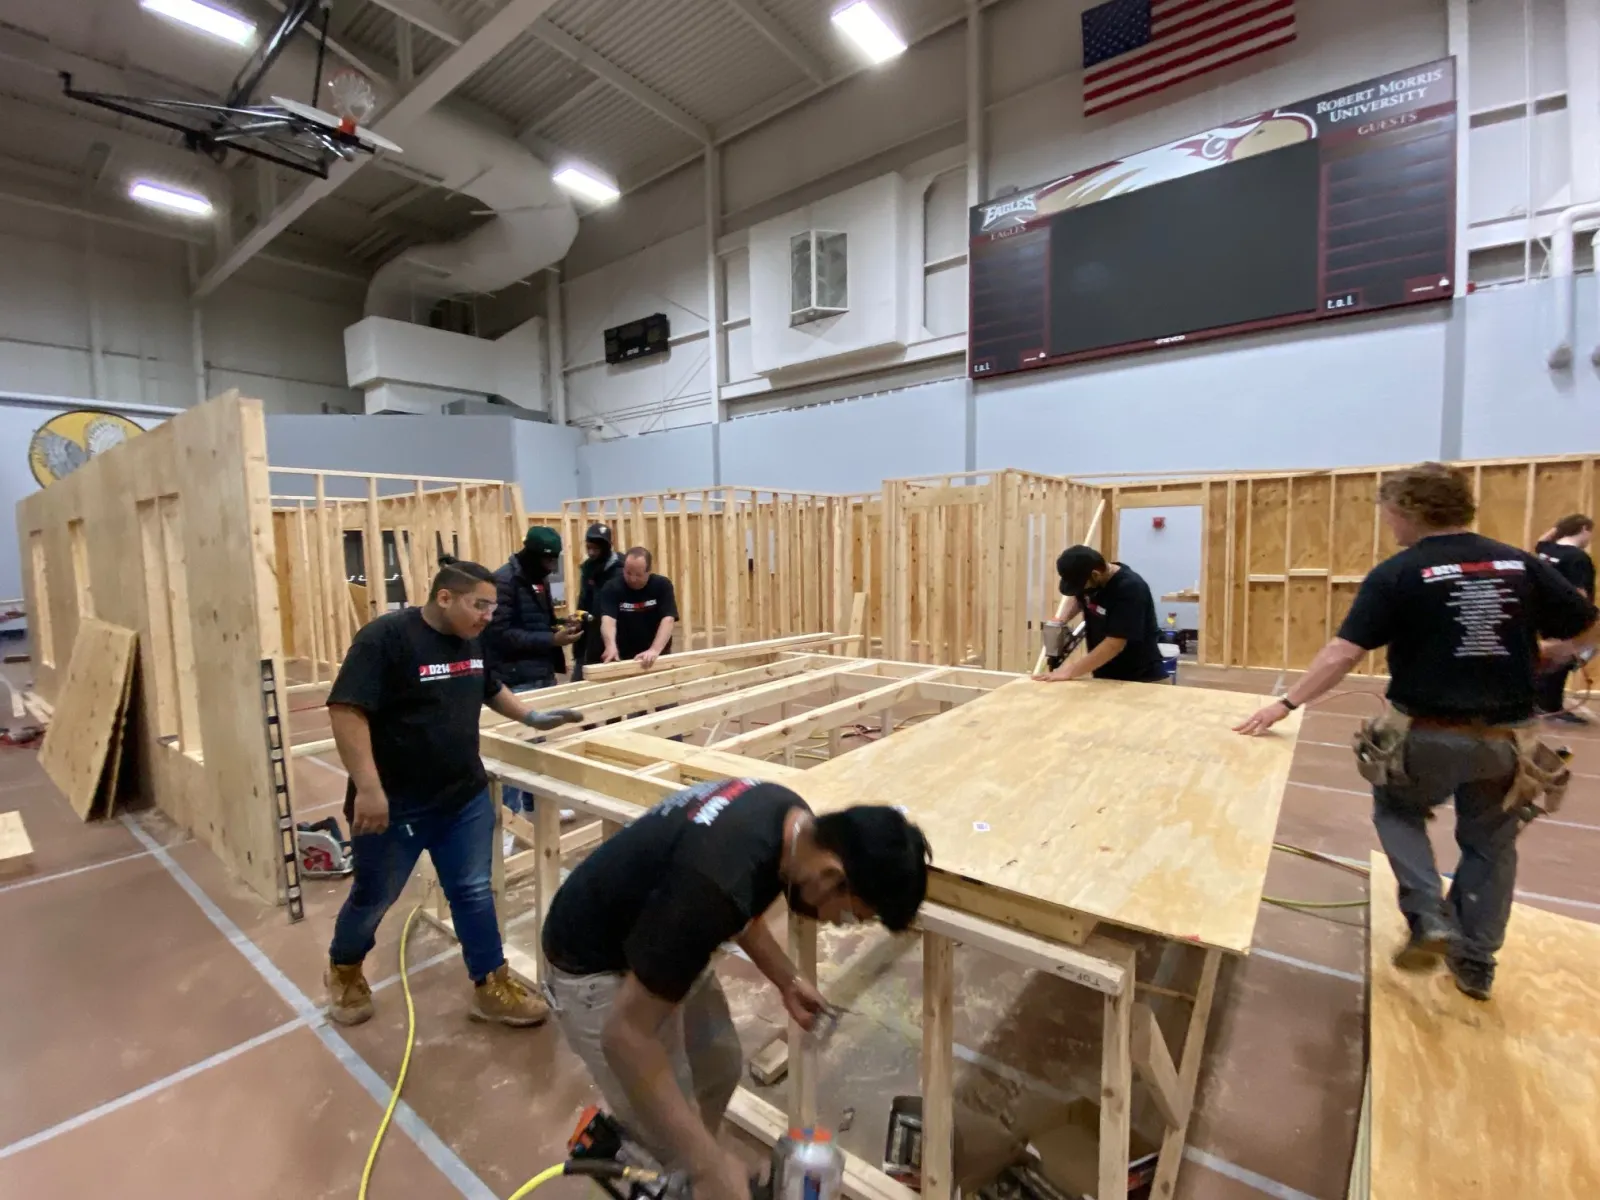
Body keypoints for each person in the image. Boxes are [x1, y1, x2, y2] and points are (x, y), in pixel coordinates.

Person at [1235, 464, 1598, 1001]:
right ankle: (1475, 964)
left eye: (1387, 515)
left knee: (1398, 810)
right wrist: (1558, 653)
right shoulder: (1520, 564)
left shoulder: (1400, 573)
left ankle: (1427, 911)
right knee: (1491, 846)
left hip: (1425, 734)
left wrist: (1286, 704)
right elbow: (1587, 622)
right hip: (1507, 742)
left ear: (1404, 511)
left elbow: (1343, 653)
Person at [540, 777, 930, 1200]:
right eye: (850, 915)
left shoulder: (788, 821)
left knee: (719, 1062)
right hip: (594, 966)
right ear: (833, 874)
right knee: (665, 1131)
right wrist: (707, 1165)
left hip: (657, 937)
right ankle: (669, 1171)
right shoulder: (711, 884)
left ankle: (688, 1162)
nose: (837, 923)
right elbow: (626, 1036)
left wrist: (786, 978)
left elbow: (741, 907)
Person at [323, 558, 583, 1027]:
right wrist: (368, 788)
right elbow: (347, 711)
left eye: (492, 606)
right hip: (394, 804)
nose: (488, 615)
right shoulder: (385, 639)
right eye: (479, 605)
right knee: (375, 895)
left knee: (473, 892)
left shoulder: (470, 639)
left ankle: (490, 984)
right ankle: (344, 969)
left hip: (461, 797)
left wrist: (529, 717)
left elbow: (489, 685)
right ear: (444, 597)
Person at [1034, 546, 1166, 683]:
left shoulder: (1130, 589)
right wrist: (1061, 619)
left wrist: (1069, 671)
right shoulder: (1091, 579)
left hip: (1141, 678)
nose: (1081, 591)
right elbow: (1079, 598)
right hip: (1106, 675)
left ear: (1095, 574)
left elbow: (1115, 643)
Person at [489, 526, 581, 690]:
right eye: (548, 561)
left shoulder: (540, 579)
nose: (552, 568)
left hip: (544, 672)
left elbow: (538, 622)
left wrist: (562, 624)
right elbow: (501, 634)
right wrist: (552, 640)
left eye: (554, 560)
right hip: (516, 679)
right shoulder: (504, 581)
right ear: (532, 556)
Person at [1534, 513, 1595, 722]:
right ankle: (1550, 706)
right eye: (1590, 533)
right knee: (1565, 657)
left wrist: (1559, 527)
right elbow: (1579, 592)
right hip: (1566, 616)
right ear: (1584, 529)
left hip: (1544, 613)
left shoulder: (1547, 550)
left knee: (1554, 656)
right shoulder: (1577, 557)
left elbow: (1542, 540)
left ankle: (1545, 703)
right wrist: (1586, 620)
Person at [599, 547, 678, 669]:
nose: (632, 579)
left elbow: (668, 619)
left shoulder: (662, 586)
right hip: (624, 658)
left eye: (638, 575)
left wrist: (654, 650)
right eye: (628, 573)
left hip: (657, 657)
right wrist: (610, 646)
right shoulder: (612, 588)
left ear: (648, 571)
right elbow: (608, 619)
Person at [572, 522, 623, 682]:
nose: (591, 552)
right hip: (588, 638)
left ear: (607, 548)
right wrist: (578, 621)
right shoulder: (588, 568)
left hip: (614, 639)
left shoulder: (620, 571)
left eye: (596, 548)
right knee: (579, 685)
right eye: (589, 547)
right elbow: (584, 600)